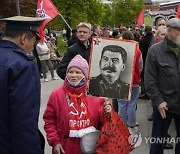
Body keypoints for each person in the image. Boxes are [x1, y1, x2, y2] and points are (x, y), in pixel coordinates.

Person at [43, 55, 113, 154]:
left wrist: (107, 113)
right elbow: (49, 120)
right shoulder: (56, 94)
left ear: (85, 74)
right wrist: (55, 141)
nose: (73, 75)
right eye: (70, 72)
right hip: (64, 147)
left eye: (78, 72)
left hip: (89, 148)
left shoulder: (94, 94)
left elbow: (104, 124)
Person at [0, 16, 45, 154]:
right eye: (34, 40)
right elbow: (23, 122)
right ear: (24, 38)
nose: (34, 46)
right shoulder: (23, 66)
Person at [145, 18, 180, 154]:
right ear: (170, 32)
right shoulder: (155, 51)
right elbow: (149, 80)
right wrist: (158, 101)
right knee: (157, 141)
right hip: (163, 107)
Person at [118, 30, 142, 133]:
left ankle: (122, 123)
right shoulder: (137, 51)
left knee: (122, 104)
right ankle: (131, 123)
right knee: (132, 103)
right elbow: (140, 66)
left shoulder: (118, 51)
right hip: (135, 80)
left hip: (121, 80)